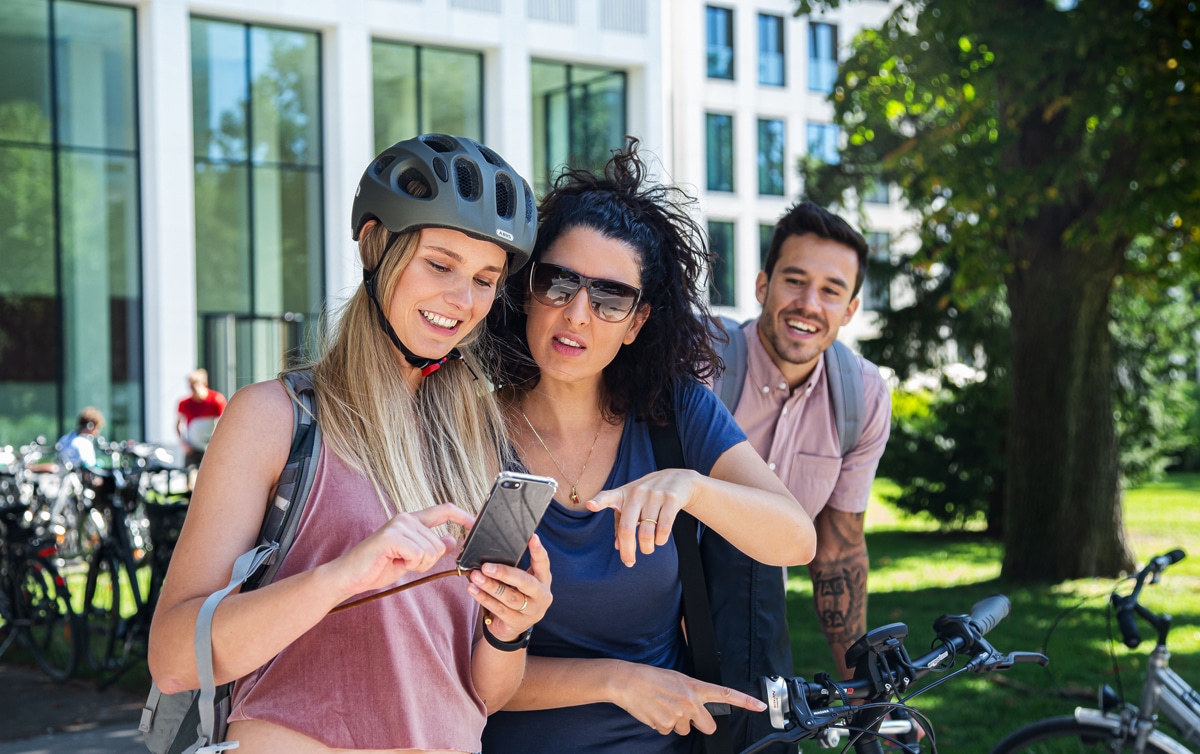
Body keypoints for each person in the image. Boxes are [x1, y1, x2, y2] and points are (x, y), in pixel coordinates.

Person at [148, 134, 552, 754]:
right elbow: (174, 658)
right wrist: (341, 577)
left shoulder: (480, 441)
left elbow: (482, 695)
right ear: (376, 248)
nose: (463, 301)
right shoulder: (275, 418)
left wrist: (509, 630)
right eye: (440, 265)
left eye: (484, 279)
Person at [481, 138, 817, 754]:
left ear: (638, 323)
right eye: (559, 282)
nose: (578, 315)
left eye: (611, 298)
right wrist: (617, 681)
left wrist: (693, 487)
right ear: (526, 289)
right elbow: (446, 660)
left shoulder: (674, 413)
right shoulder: (466, 429)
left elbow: (796, 537)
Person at [721, 200, 892, 686]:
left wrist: (864, 688)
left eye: (831, 291)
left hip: (759, 631)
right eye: (794, 281)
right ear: (762, 286)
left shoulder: (862, 396)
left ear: (851, 310)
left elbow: (837, 552)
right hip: (655, 628)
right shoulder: (701, 362)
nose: (809, 304)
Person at [176, 368, 227, 470]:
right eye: (191, 386)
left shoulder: (216, 400)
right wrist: (184, 444)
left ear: (204, 383)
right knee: (189, 473)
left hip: (211, 446)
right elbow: (178, 425)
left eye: (196, 385)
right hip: (192, 446)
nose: (193, 389)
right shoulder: (185, 403)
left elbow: (224, 423)